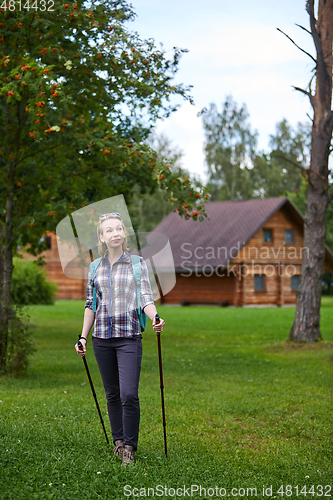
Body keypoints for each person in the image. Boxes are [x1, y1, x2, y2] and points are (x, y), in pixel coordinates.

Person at [75, 212, 165, 466]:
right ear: (101, 237)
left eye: (119, 229)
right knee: (112, 393)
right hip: (101, 338)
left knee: (128, 394)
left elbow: (145, 297)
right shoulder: (94, 267)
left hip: (128, 337)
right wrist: (82, 338)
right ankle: (118, 442)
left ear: (124, 233)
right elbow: (90, 304)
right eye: (109, 230)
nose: (115, 233)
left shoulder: (137, 264)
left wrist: (155, 315)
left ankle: (130, 447)